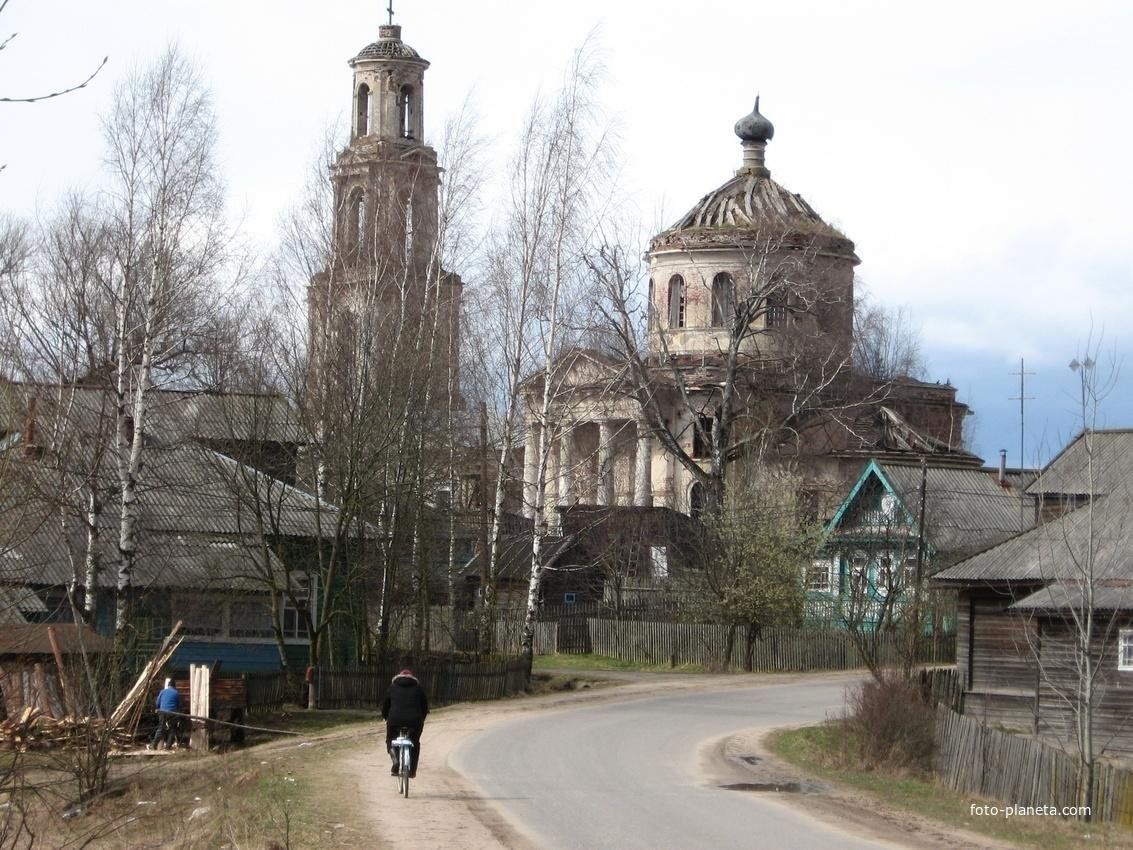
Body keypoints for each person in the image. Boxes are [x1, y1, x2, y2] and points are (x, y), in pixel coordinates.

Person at [381, 668, 428, 778]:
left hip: (395, 720)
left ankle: (396, 760)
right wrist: (422, 719)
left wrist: (385, 717)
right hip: (415, 721)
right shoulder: (418, 688)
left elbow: (386, 705)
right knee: (415, 742)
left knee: (390, 739)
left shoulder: (392, 687)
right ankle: (412, 771)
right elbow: (425, 707)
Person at [151, 677, 181, 750]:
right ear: (174, 686)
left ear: (168, 685)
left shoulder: (162, 691)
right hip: (172, 713)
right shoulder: (176, 693)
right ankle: (168, 747)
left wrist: (158, 708)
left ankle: (153, 746)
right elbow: (179, 705)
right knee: (172, 729)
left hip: (162, 712)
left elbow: (157, 703)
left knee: (161, 728)